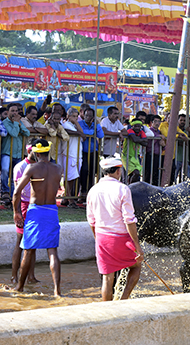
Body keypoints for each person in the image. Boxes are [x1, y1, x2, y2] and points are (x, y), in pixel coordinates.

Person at [86, 157, 144, 301]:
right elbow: (129, 220)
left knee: (107, 278)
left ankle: (107, 310)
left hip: (102, 237)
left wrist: (97, 239)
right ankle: (123, 299)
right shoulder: (123, 189)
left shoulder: (93, 190)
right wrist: (137, 246)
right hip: (121, 238)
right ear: (118, 171)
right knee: (136, 266)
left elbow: (91, 220)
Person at [13, 139, 63, 296]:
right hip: (52, 210)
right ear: (49, 152)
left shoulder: (32, 167)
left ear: (35, 152)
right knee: (52, 251)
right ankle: (57, 291)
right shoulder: (58, 168)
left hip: (35, 211)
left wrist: (16, 213)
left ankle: (19, 287)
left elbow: (16, 193)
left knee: (28, 249)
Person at [11, 139, 39, 284]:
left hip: (35, 206)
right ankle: (14, 276)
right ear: (29, 151)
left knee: (32, 244)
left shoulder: (40, 166)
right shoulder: (20, 166)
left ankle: (31, 277)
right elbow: (17, 191)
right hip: (23, 205)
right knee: (20, 242)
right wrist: (17, 212)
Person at [0, 104, 30, 208]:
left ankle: (13, 195)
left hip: (18, 153)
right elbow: (13, 133)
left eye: (16, 111)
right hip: (7, 152)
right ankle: (4, 192)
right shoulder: (5, 122)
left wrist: (19, 125)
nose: (15, 113)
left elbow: (27, 133)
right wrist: (17, 124)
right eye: (12, 111)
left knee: (16, 176)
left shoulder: (19, 122)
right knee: (4, 170)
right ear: (7, 112)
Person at [60, 108, 85, 208]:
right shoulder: (65, 124)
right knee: (69, 177)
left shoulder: (75, 125)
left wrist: (77, 126)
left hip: (77, 154)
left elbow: (82, 133)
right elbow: (68, 132)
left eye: (76, 116)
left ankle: (67, 197)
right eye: (73, 116)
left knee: (73, 177)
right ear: (68, 116)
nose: (75, 118)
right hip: (69, 153)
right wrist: (79, 133)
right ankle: (69, 199)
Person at [78, 108, 104, 201]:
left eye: (90, 116)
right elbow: (83, 133)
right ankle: (83, 191)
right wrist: (92, 132)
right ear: (83, 116)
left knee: (92, 172)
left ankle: (90, 191)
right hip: (83, 151)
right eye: (86, 115)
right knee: (84, 171)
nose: (88, 118)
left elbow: (101, 135)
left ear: (93, 117)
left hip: (93, 151)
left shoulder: (95, 125)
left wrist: (97, 124)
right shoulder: (80, 124)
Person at [122, 119, 147, 184]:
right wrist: (141, 139)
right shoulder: (130, 130)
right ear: (132, 126)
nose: (137, 128)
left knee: (136, 174)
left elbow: (146, 143)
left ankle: (130, 188)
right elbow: (135, 140)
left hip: (135, 157)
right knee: (134, 173)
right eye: (135, 126)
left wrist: (138, 139)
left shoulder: (141, 132)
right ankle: (129, 187)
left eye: (138, 126)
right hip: (126, 156)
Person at [144, 115, 166, 185]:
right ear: (151, 122)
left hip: (158, 155)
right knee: (148, 174)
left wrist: (163, 145)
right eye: (155, 121)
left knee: (156, 174)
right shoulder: (149, 131)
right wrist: (159, 137)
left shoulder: (159, 132)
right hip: (150, 155)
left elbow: (163, 145)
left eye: (159, 121)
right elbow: (149, 144)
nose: (157, 123)